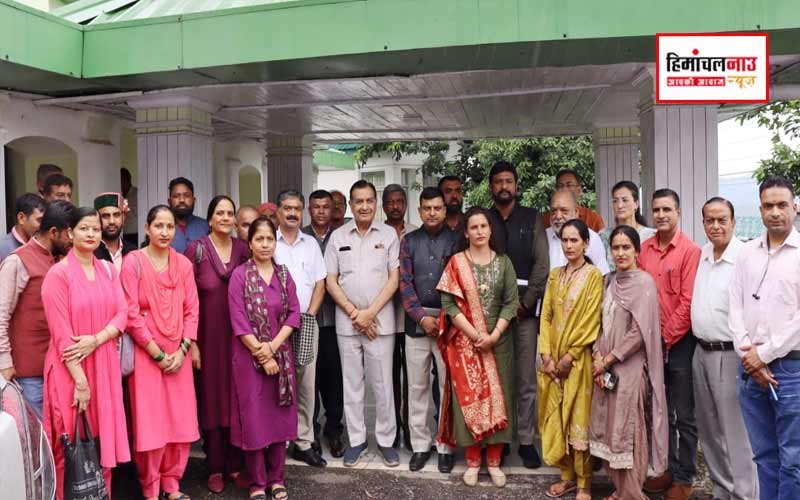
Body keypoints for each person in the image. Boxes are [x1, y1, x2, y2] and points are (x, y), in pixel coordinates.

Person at [41, 206, 130, 499]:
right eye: (84, 228)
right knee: (71, 448)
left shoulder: (107, 269)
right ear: (70, 233)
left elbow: (123, 314)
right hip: (71, 371)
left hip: (104, 365)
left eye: (95, 229)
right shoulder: (58, 275)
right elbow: (61, 335)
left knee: (101, 446)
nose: (91, 233)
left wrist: (96, 339)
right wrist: (80, 382)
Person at [120, 205, 200, 500]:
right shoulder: (133, 263)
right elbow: (130, 313)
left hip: (178, 354)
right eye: (159, 226)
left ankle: (171, 484)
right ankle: (151, 488)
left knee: (180, 422)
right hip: (146, 356)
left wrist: (182, 350)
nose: (165, 232)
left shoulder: (183, 265)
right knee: (151, 424)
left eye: (169, 226)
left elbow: (192, 310)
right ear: (147, 229)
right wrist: (156, 354)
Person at [729, 176, 800, 500]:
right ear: (760, 210)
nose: (775, 212)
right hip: (750, 369)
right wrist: (749, 356)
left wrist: (765, 354)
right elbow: (735, 306)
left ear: (794, 208)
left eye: (782, 205)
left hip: (791, 370)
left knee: (793, 461)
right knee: (764, 457)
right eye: (768, 205)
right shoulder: (747, 253)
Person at [437, 207, 518, 487]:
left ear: (491, 229)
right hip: (466, 344)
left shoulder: (504, 263)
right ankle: (472, 461)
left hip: (499, 343)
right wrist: (474, 335)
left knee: (499, 400)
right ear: (466, 232)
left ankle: (494, 462)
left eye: (484, 226)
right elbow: (448, 304)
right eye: (474, 227)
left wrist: (494, 335)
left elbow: (511, 302)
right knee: (468, 401)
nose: (480, 231)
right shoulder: (456, 263)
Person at [324, 180, 400, 467]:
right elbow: (331, 280)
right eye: (359, 201)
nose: (364, 206)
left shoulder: (389, 234)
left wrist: (370, 314)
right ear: (351, 204)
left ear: (375, 203)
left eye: (369, 200)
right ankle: (356, 440)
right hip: (348, 324)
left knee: (382, 384)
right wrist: (355, 313)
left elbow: (394, 280)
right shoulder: (338, 236)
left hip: (380, 323)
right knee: (352, 384)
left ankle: (386, 441)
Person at [589, 225, 668, 500]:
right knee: (610, 430)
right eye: (616, 247)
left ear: (637, 250)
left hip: (630, 369)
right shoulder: (610, 281)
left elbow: (638, 333)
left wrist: (608, 359)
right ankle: (620, 490)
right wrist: (597, 356)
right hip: (606, 368)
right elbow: (601, 325)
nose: (620, 253)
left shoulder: (644, 283)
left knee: (628, 431)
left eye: (626, 247)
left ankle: (632, 494)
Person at [228, 216, 300, 500]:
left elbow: (294, 314)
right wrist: (261, 352)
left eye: (270, 239)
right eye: (259, 239)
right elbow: (238, 320)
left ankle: (277, 479)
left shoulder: (283, 275)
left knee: (279, 419)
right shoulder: (240, 276)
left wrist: (273, 348)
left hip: (281, 357)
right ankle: (257, 482)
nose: (265, 244)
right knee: (255, 420)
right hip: (248, 360)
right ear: (249, 243)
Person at [691, 197, 758, 500]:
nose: (716, 226)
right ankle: (722, 490)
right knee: (708, 430)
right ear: (703, 223)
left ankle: (745, 494)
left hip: (731, 354)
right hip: (700, 352)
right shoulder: (704, 253)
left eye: (722, 220)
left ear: (733, 222)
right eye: (710, 220)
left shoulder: (745, 257)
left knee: (736, 434)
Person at [639, 189, 701, 500]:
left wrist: (663, 338)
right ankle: (664, 468)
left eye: (667, 209)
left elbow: (688, 302)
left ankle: (684, 476)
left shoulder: (690, 251)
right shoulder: (644, 250)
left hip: (679, 344)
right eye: (656, 210)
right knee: (659, 411)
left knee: (683, 414)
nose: (661, 215)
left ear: (678, 212)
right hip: (649, 344)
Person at [486, 161, 549, 469]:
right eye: (498, 181)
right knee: (496, 378)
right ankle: (499, 439)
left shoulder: (532, 218)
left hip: (525, 312)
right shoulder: (483, 219)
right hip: (491, 314)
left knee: (525, 379)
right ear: (491, 187)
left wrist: (525, 303)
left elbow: (542, 265)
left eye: (508, 181)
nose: (503, 186)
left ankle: (525, 440)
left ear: (516, 185)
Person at [185, 195, 250, 493]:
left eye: (229, 213)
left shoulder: (244, 250)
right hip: (207, 341)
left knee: (236, 400)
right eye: (220, 213)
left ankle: (234, 466)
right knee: (211, 401)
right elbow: (185, 299)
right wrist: (192, 343)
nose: (225, 218)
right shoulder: (196, 250)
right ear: (210, 219)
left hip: (239, 338)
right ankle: (214, 467)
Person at [538, 219, 603, 500]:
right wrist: (546, 355)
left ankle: (584, 483)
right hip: (552, 362)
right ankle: (566, 477)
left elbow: (591, 320)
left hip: (578, 362)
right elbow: (546, 316)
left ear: (586, 243)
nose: (568, 245)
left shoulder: (594, 276)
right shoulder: (555, 275)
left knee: (579, 419)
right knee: (557, 417)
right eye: (564, 240)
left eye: (574, 240)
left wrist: (569, 356)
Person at [400, 187, 461, 473]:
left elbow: (459, 282)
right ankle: (421, 446)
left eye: (437, 208)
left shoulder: (456, 240)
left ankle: (446, 446)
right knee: (417, 387)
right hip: (417, 323)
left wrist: (444, 318)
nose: (432, 213)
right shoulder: (409, 241)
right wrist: (422, 318)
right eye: (427, 208)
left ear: (445, 210)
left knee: (447, 387)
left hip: (449, 324)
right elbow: (405, 283)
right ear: (420, 210)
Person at [0, 201, 74, 417]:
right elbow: (1, 315)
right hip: (30, 374)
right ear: (53, 232)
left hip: (60, 369)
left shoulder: (64, 261)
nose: (72, 239)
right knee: (39, 434)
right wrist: (5, 363)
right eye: (69, 233)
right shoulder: (17, 261)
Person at [273, 190, 328, 468]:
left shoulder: (311, 244)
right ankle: (279, 440)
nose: (292, 213)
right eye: (287, 208)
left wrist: (309, 316)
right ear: (278, 211)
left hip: (306, 322)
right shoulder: (270, 242)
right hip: (275, 327)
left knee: (306, 384)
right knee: (279, 382)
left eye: (296, 208)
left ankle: (303, 442)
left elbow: (320, 283)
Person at [303, 190, 346, 458]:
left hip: (335, 320)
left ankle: (334, 430)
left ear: (333, 210)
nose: (321, 211)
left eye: (325, 207)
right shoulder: (301, 237)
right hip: (306, 320)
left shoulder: (341, 236)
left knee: (334, 379)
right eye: (316, 206)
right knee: (310, 379)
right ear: (309, 209)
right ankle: (311, 431)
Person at [383, 183, 417, 451]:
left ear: (406, 204)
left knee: (414, 379)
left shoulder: (415, 233)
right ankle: (392, 428)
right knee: (389, 378)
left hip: (411, 318)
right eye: (390, 202)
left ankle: (410, 429)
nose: (395, 206)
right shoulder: (378, 233)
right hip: (386, 318)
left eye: (399, 201)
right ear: (384, 206)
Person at [547, 189, 610, 275]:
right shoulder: (543, 237)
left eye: (564, 211)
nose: (558, 216)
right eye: (553, 211)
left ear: (576, 212)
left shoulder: (592, 238)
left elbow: (603, 275)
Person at [599, 181, 656, 271]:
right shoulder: (604, 235)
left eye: (625, 200)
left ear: (636, 204)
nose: (619, 205)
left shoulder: (651, 235)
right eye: (615, 201)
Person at [94, 192, 137, 272]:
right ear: (96, 219)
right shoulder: (90, 252)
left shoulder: (133, 251)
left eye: (116, 215)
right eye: (105, 216)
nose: (112, 221)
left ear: (123, 217)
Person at [0, 193, 46, 262]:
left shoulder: (42, 245)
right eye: (39, 220)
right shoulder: (2, 248)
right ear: (21, 218)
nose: (43, 226)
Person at [169, 177, 209, 253]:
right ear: (169, 201)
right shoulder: (162, 228)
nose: (182, 200)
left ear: (194, 200)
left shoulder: (206, 227)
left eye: (186, 196)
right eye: (176, 196)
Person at [121, 167, 139, 246]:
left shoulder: (137, 193)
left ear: (128, 179)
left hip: (135, 234)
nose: (121, 183)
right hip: (122, 234)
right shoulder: (119, 195)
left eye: (123, 180)